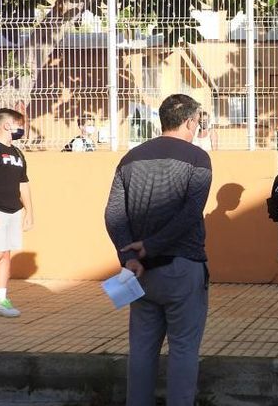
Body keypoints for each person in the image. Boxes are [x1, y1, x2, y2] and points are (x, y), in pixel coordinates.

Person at [105, 94, 212, 406]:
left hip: (139, 272)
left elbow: (113, 215)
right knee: (183, 349)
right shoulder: (198, 159)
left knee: (141, 349)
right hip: (182, 268)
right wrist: (151, 246)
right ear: (191, 122)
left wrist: (129, 257)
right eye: (198, 121)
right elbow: (191, 213)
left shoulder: (130, 158)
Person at [0, 108, 34, 318]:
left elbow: (24, 183)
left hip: (13, 210)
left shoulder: (18, 153)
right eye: (18, 123)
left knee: (5, 254)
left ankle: (0, 300)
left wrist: (29, 212)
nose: (21, 128)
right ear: (6, 125)